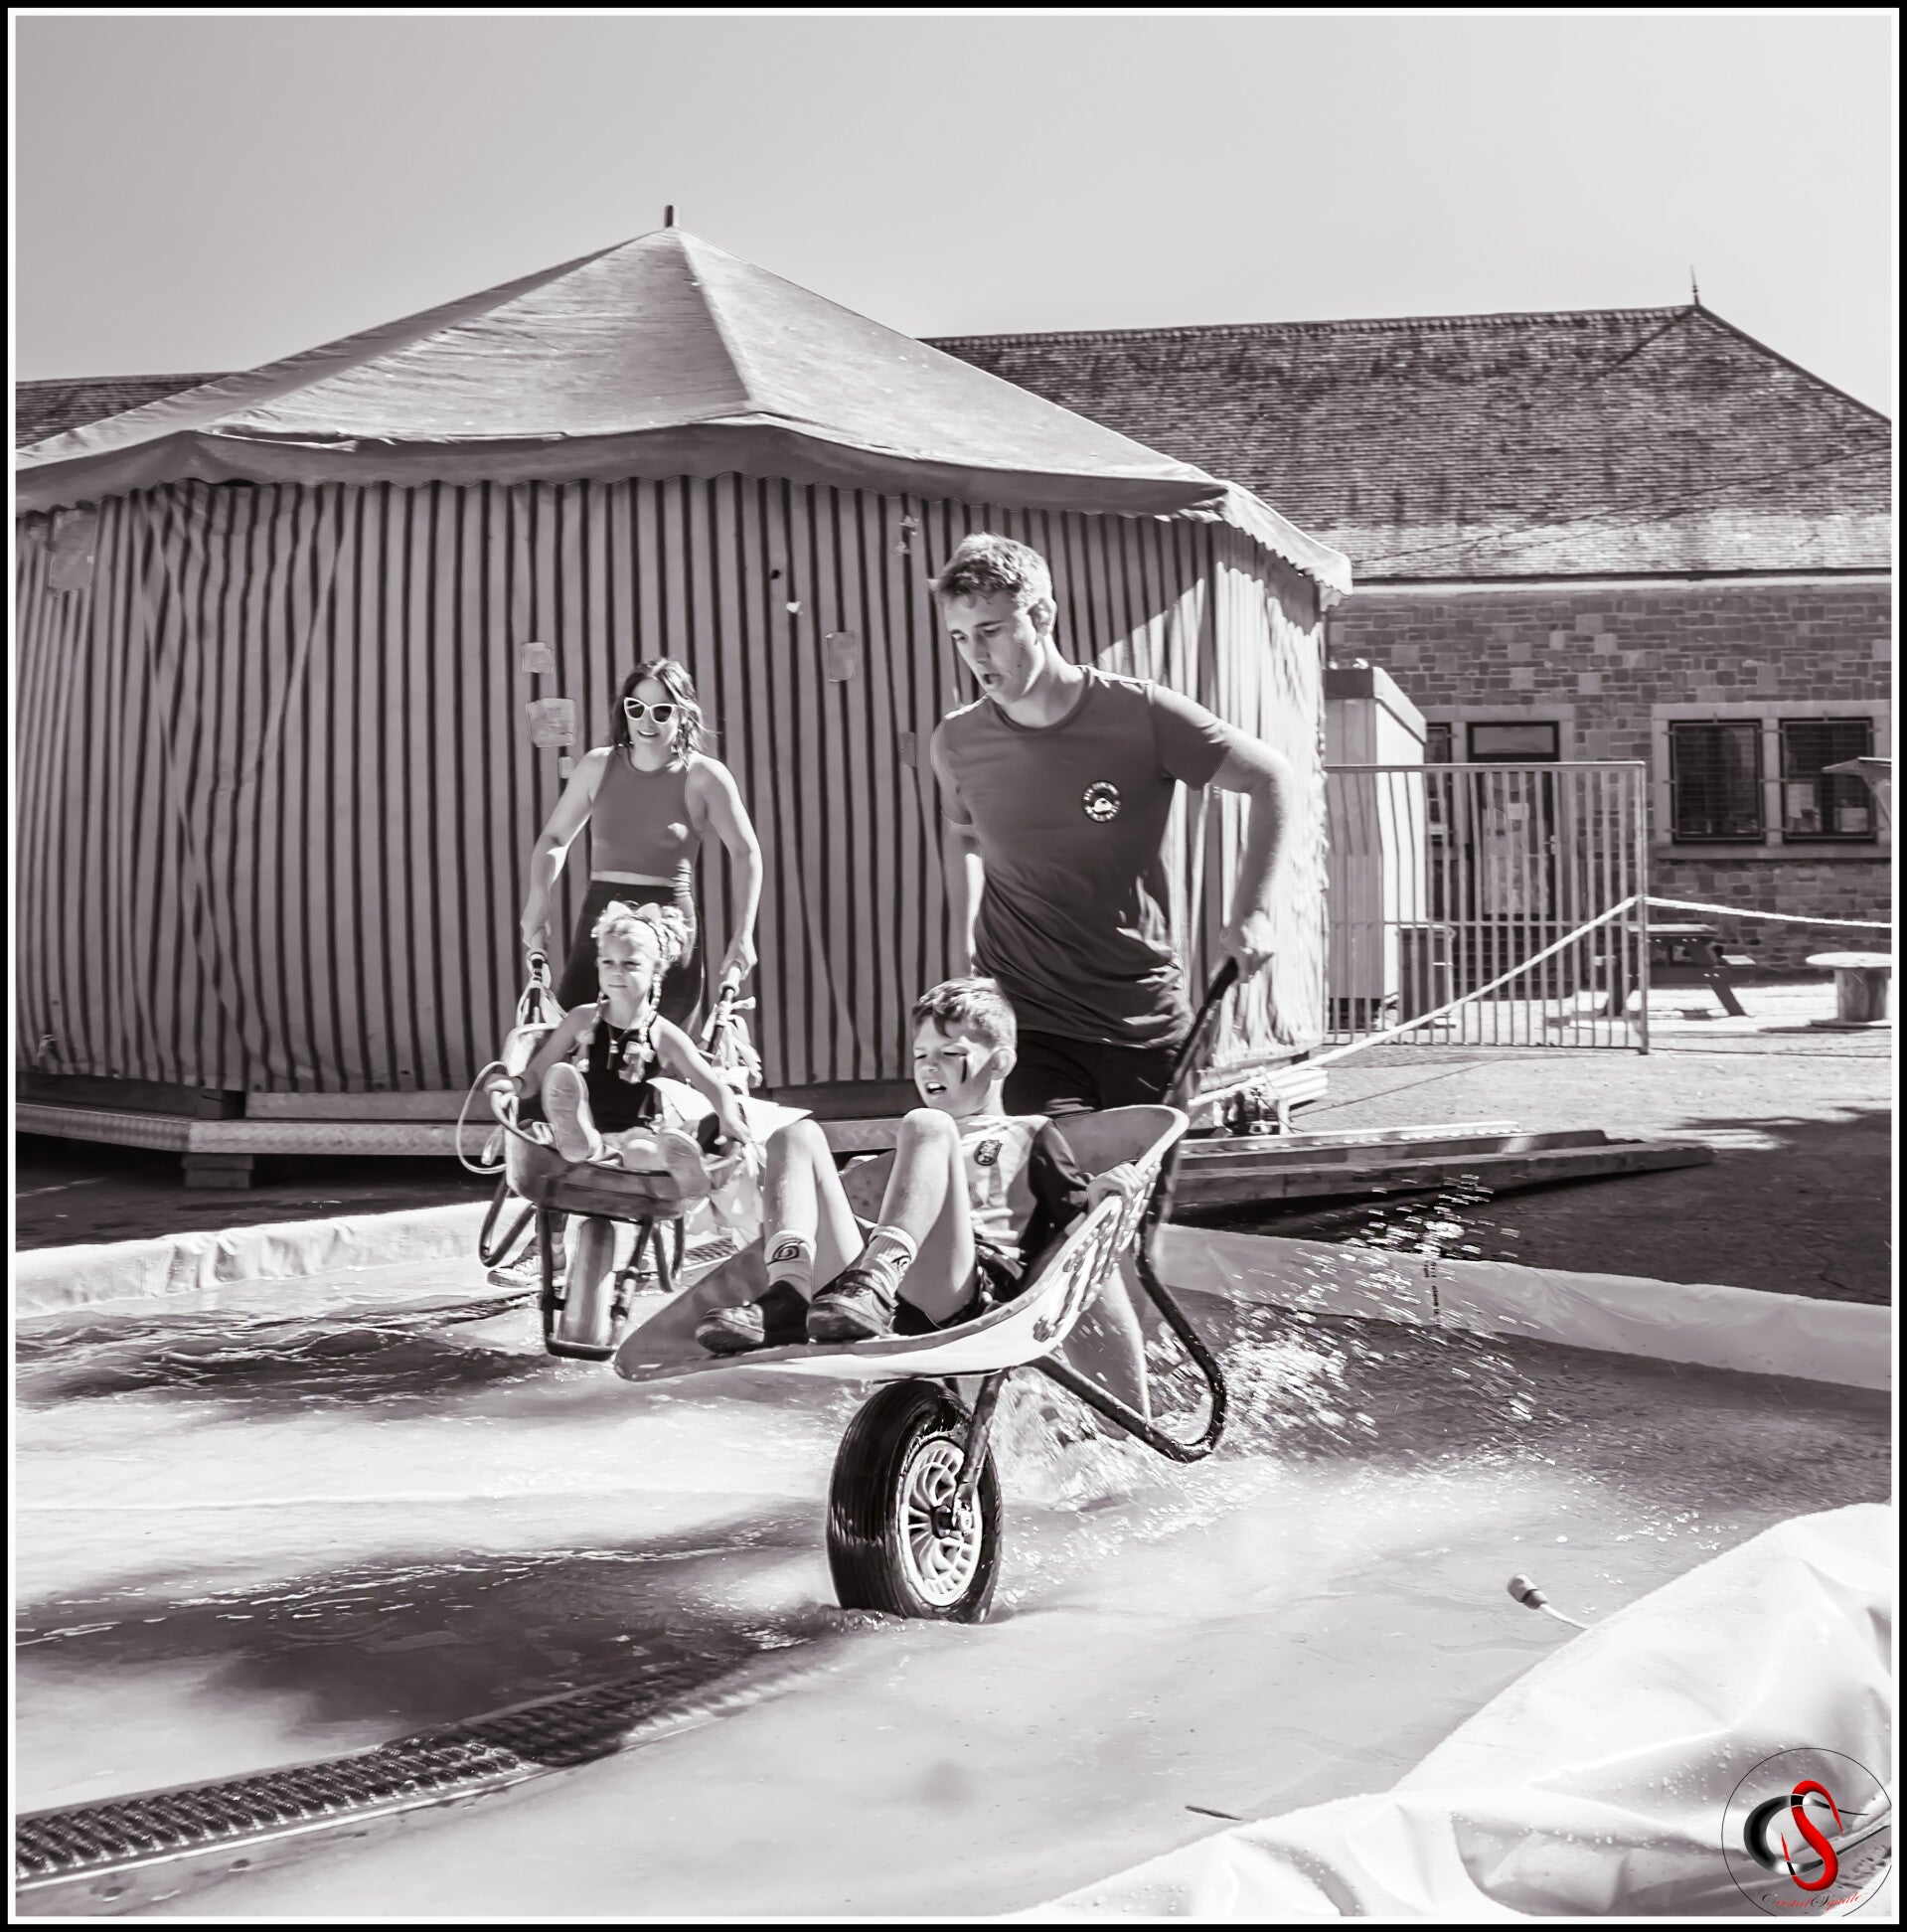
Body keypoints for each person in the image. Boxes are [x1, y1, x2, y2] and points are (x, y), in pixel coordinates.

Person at [928, 533, 1297, 1411]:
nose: (976, 655)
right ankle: (1093, 1423)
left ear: (1043, 616)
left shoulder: (1139, 716)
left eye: (991, 630)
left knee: (1123, 1241)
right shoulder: (957, 742)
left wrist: (1254, 909)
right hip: (1029, 1020)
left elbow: (1272, 779)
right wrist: (965, 958)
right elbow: (962, 837)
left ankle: (1110, 1413)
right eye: (960, 638)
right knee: (1067, 1223)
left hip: (1145, 1024)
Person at [692, 978, 1139, 1355]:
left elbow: (1077, 1228)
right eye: (922, 1055)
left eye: (949, 1053)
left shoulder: (1029, 1133)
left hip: (960, 1288)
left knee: (927, 1124)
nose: (930, 1067)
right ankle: (787, 1298)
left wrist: (1100, 1194)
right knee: (795, 1136)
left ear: (1000, 1062)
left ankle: (875, 1281)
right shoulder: (918, 1143)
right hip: (868, 1291)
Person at [520, 659, 761, 1029]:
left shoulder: (705, 776)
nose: (647, 720)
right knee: (573, 1044)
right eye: (636, 708)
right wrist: (539, 896)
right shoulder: (597, 766)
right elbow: (554, 838)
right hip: (602, 926)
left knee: (661, 1052)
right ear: (624, 711)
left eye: (662, 711)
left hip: (670, 932)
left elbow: (745, 852)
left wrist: (743, 934)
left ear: (683, 714)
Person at [502, 902, 753, 1184]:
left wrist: (729, 1118)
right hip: (579, 1130)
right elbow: (536, 1075)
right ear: (598, 964)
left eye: (630, 964)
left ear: (656, 968)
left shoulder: (664, 1035)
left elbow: (713, 1085)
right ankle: (583, 1139)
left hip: (634, 1138)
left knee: (639, 1153)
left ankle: (679, 1164)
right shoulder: (581, 1019)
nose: (616, 972)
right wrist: (513, 1085)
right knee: (560, 1135)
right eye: (607, 962)